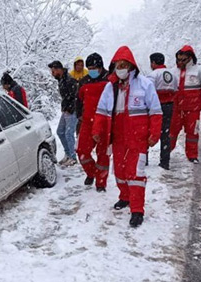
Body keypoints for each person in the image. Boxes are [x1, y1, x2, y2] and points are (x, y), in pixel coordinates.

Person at [92, 46, 162, 227]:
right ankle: (125, 197)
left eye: (124, 65)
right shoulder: (110, 87)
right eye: (117, 65)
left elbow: (155, 111)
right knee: (121, 172)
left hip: (137, 137)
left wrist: (154, 134)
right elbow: (100, 111)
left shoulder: (145, 84)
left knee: (135, 173)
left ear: (131, 66)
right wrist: (97, 131)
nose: (120, 68)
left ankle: (137, 209)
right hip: (117, 135)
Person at [170, 45, 201, 164]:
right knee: (171, 131)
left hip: (193, 109)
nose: (180, 62)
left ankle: (192, 155)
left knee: (192, 133)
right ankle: (167, 152)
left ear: (190, 58)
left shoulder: (199, 70)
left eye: (183, 59)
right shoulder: (173, 71)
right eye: (178, 59)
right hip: (176, 108)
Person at [75, 53, 110, 191]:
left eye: (94, 67)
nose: (91, 70)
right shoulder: (84, 81)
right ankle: (92, 172)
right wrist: (79, 116)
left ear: (100, 67)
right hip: (87, 122)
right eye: (89, 68)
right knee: (81, 150)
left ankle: (101, 183)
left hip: (105, 123)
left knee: (103, 153)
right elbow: (78, 100)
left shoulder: (110, 79)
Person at [147, 53, 178, 170]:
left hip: (155, 107)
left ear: (153, 63)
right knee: (166, 134)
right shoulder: (172, 74)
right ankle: (165, 162)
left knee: (149, 132)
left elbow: (148, 92)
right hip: (169, 106)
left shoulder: (152, 75)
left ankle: (144, 160)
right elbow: (176, 89)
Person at [48, 60, 78, 166]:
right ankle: (68, 154)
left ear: (58, 70)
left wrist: (70, 108)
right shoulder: (61, 80)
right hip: (66, 110)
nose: (52, 74)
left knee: (68, 133)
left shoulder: (69, 80)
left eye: (53, 71)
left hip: (72, 111)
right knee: (60, 131)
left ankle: (73, 157)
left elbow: (76, 97)